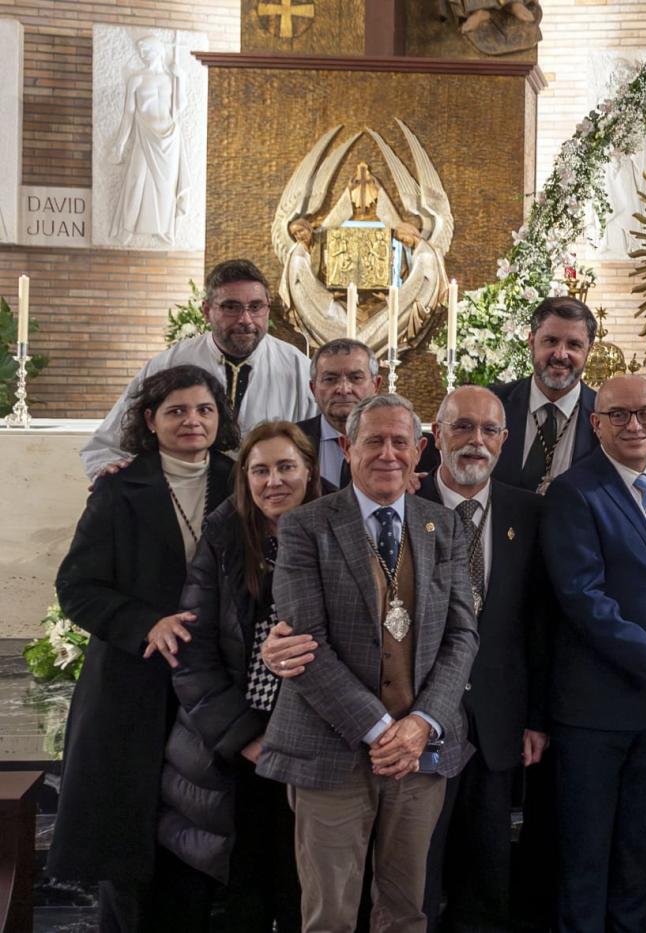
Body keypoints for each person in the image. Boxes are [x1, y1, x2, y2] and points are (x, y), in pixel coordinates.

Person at [254, 393, 479, 932]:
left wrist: (421, 724)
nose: (387, 453)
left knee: (405, 910)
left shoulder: (442, 526)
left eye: (400, 442)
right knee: (329, 914)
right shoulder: (306, 527)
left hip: (420, 754)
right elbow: (305, 646)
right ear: (348, 448)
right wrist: (382, 730)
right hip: (328, 751)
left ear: (419, 450)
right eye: (373, 440)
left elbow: (463, 636)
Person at [51, 364, 239, 932]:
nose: (192, 421)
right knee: (131, 859)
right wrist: (146, 623)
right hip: (133, 689)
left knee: (203, 849)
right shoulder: (118, 486)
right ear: (150, 421)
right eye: (176, 411)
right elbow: (76, 588)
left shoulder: (241, 481)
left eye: (204, 409)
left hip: (213, 689)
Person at [542, 375, 646, 933]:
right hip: (595, 707)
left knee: (641, 845)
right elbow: (583, 600)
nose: (634, 425)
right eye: (619, 415)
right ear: (596, 423)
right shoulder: (574, 492)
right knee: (587, 852)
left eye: (645, 413)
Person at [157, 421, 321, 932]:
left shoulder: (340, 528)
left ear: (310, 471)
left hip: (315, 743)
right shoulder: (225, 535)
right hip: (236, 745)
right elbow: (192, 652)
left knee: (307, 890)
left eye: (286, 467)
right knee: (244, 892)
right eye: (260, 470)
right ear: (245, 479)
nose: (274, 481)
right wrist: (245, 736)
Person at [418, 386, 552, 932]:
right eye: (462, 427)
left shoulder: (531, 511)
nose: (476, 441)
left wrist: (535, 718)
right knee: (415, 876)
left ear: (504, 440)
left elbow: (540, 624)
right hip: (419, 724)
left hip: (498, 726)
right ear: (435, 436)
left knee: (487, 878)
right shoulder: (405, 503)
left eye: (488, 430)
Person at [82, 259, 317, 479]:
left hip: (270, 503)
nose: (246, 319)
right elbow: (108, 444)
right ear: (207, 311)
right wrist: (109, 468)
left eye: (256, 307)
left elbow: (316, 448)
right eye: (231, 307)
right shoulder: (169, 364)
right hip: (186, 499)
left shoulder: (299, 368)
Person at [491, 296, 598, 493]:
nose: (560, 354)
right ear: (531, 341)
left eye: (574, 345)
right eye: (551, 341)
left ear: (588, 350)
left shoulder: (605, 415)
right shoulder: (493, 404)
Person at [109, 34, 184, 244]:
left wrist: (182, 78)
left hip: (168, 138)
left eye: (148, 51)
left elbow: (180, 107)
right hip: (145, 134)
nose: (144, 55)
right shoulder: (137, 79)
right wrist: (120, 144)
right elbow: (128, 114)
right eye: (142, 52)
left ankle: (162, 228)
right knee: (136, 179)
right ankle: (128, 226)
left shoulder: (171, 79)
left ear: (159, 50)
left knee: (165, 186)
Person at [296, 338, 382, 492]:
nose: (343, 389)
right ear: (313, 389)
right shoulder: (292, 442)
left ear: (376, 385)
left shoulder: (407, 447)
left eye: (356, 378)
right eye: (330, 379)